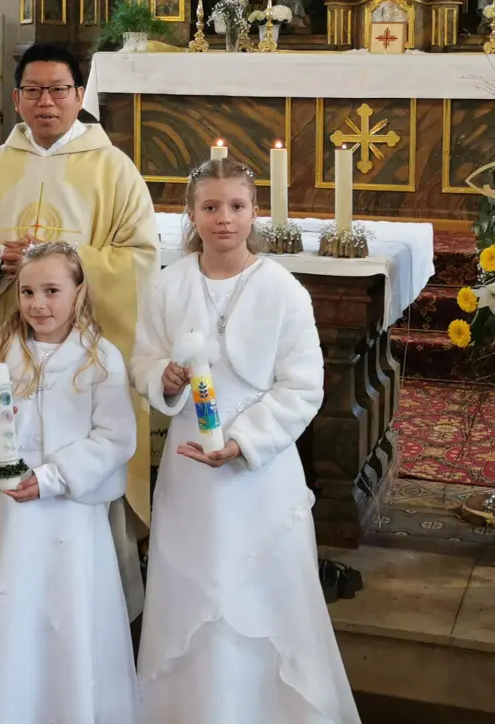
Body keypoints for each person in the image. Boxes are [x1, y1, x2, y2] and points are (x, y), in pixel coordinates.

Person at [131, 159, 358, 724]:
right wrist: (163, 377)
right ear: (190, 214)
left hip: (260, 471)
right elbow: (142, 359)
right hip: (190, 470)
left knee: (264, 595)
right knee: (193, 589)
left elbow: (304, 386)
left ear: (255, 211)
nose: (223, 218)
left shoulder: (283, 290)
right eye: (210, 207)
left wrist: (246, 441)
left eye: (236, 206)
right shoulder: (168, 284)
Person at [0, 42, 156, 585]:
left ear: (80, 95)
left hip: (82, 354)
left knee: (81, 451)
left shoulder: (114, 170)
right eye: (33, 90)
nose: (46, 101)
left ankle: (97, 594)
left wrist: (69, 267)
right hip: (7, 347)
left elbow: (141, 258)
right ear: (16, 98)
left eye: (59, 89)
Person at [0, 242, 139, 724]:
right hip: (7, 516)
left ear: (79, 291)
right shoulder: (1, 349)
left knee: (65, 617)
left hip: (69, 513)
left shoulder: (100, 359)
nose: (38, 304)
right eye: (28, 292)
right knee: (9, 614)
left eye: (52, 290)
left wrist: (49, 479)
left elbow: (115, 438)